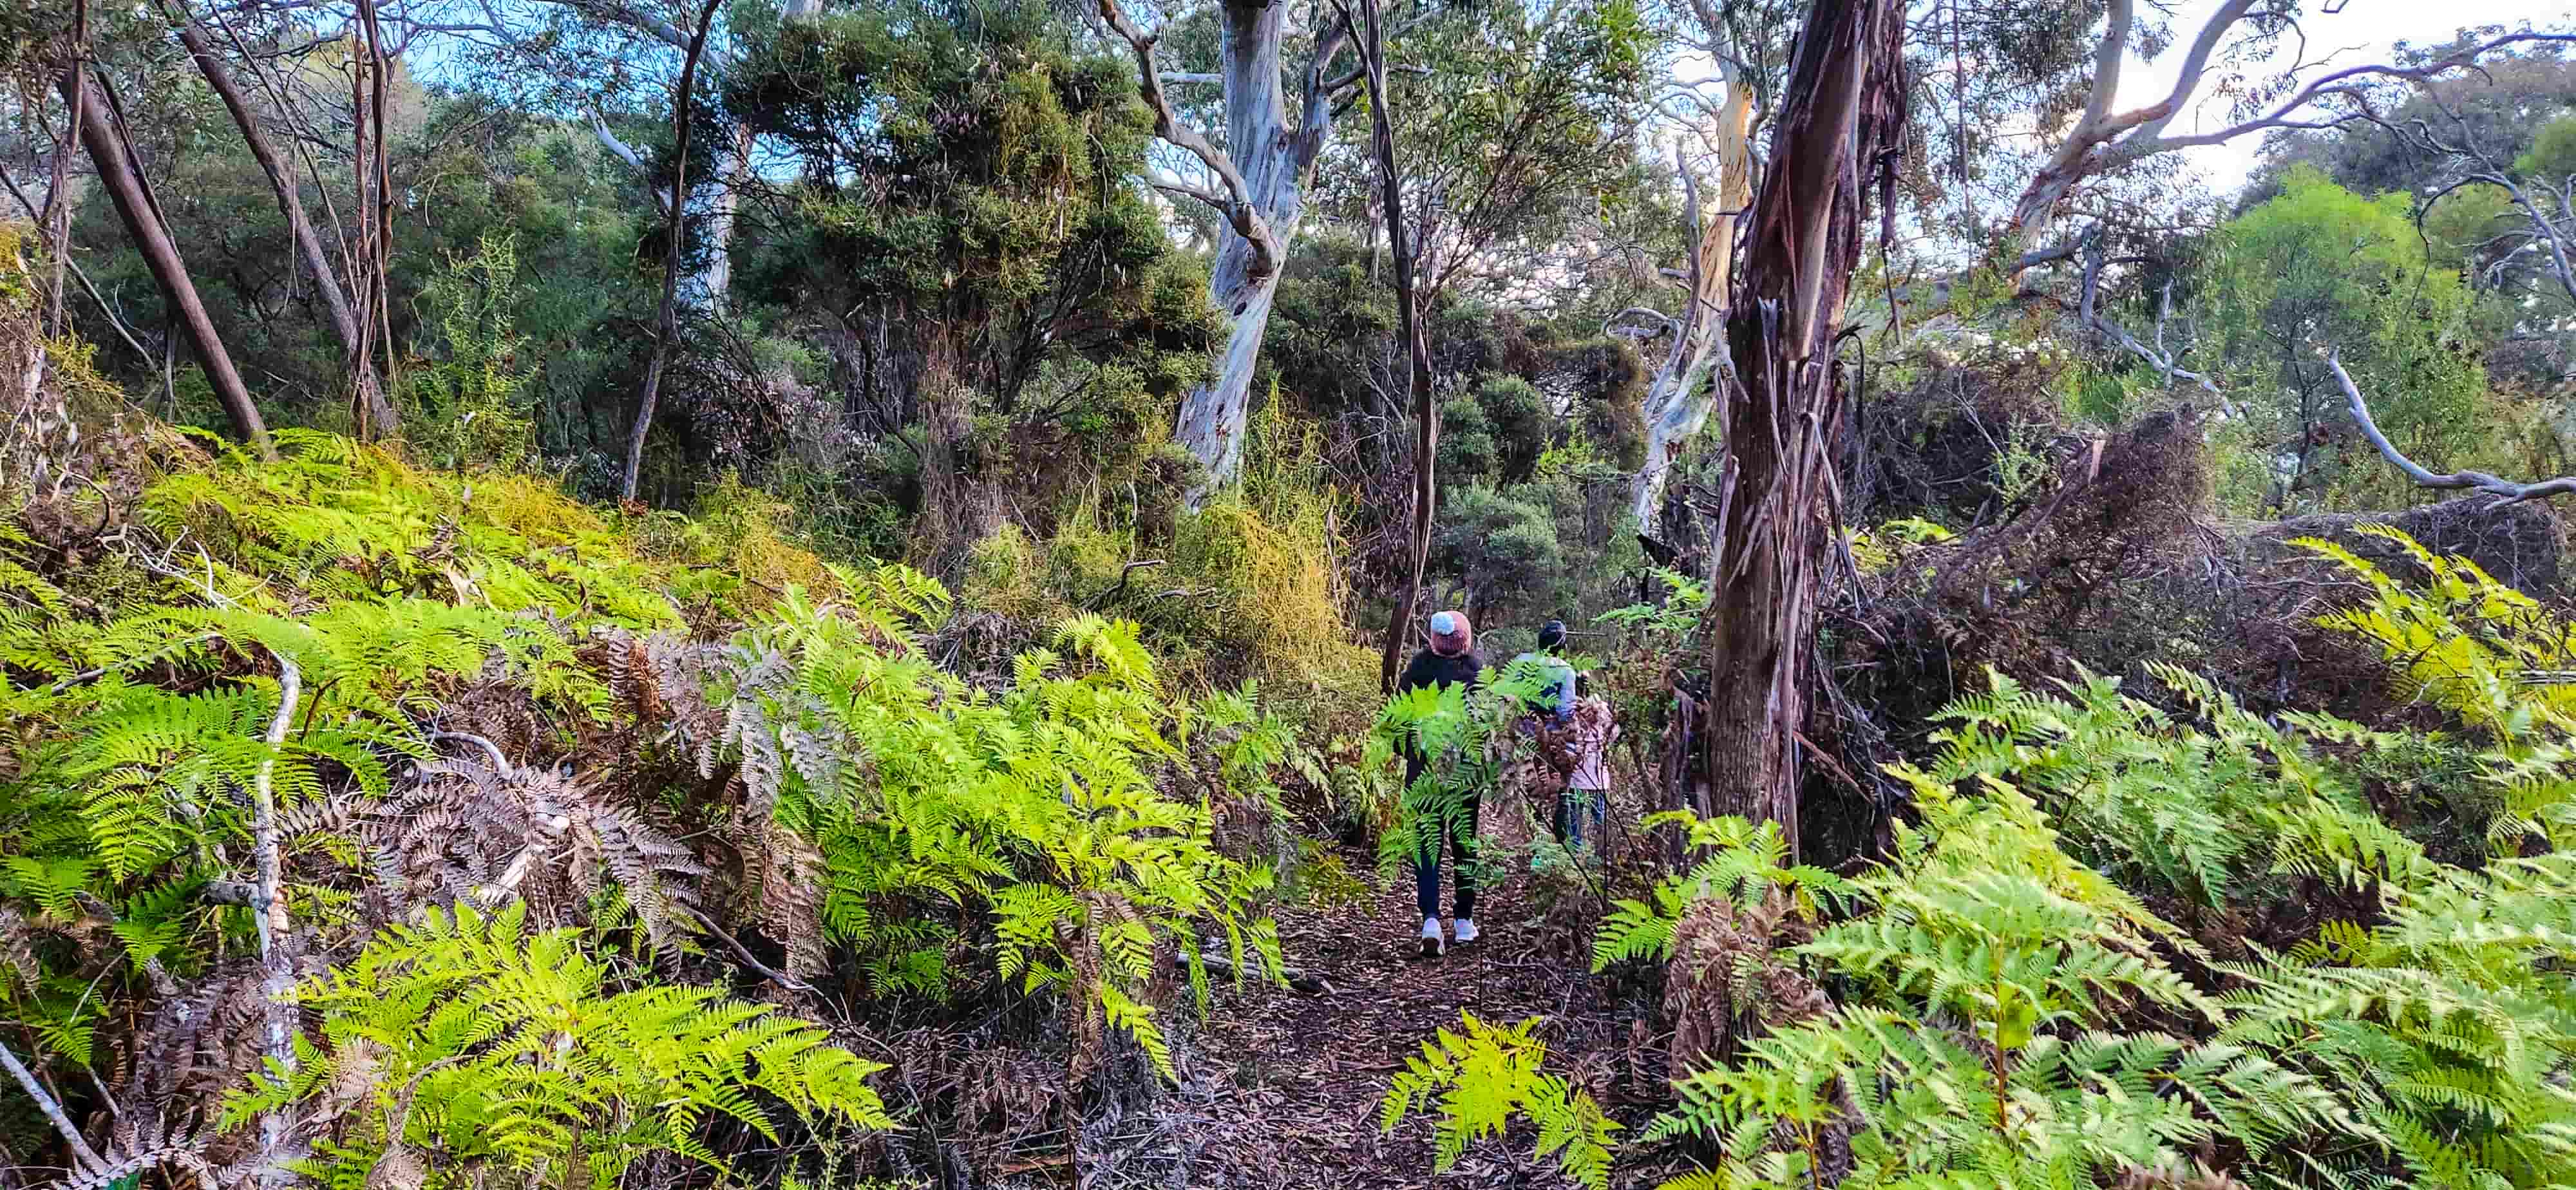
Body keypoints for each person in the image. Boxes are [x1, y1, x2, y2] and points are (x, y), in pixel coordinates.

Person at [1398, 609, 1484, 957]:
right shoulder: (1477, 673)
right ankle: (1464, 920)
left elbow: (1396, 724)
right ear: (1464, 640)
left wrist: (1415, 751)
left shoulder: (1417, 670)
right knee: (1465, 843)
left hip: (1423, 777)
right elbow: (1489, 730)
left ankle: (1431, 920)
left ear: (1434, 640)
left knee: (1427, 846)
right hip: (1465, 777)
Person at [1556, 672, 1618, 850]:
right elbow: (1614, 733)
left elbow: (1564, 736)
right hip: (1596, 775)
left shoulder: (1572, 713)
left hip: (1582, 773)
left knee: (1578, 813)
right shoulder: (1603, 712)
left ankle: (1581, 849)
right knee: (1596, 816)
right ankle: (1600, 851)